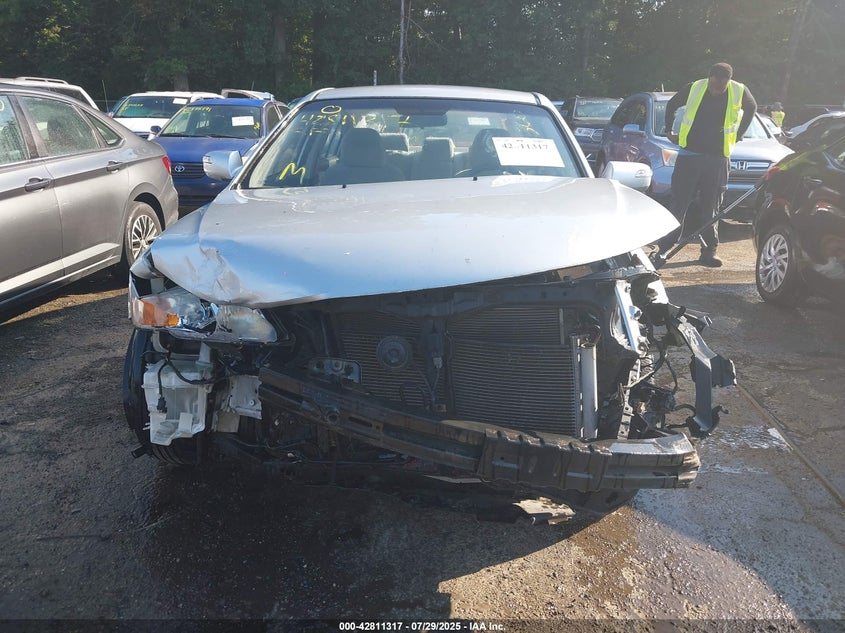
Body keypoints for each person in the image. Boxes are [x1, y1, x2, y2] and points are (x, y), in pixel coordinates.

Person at [656, 62, 757, 267]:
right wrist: (668, 129)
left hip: (718, 158)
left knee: (712, 207)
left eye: (722, 85)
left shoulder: (739, 91)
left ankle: (709, 251)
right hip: (689, 154)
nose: (718, 89)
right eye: (715, 85)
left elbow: (752, 108)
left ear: (729, 81)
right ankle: (664, 248)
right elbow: (672, 104)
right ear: (709, 77)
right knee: (679, 204)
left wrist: (739, 134)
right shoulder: (695, 87)